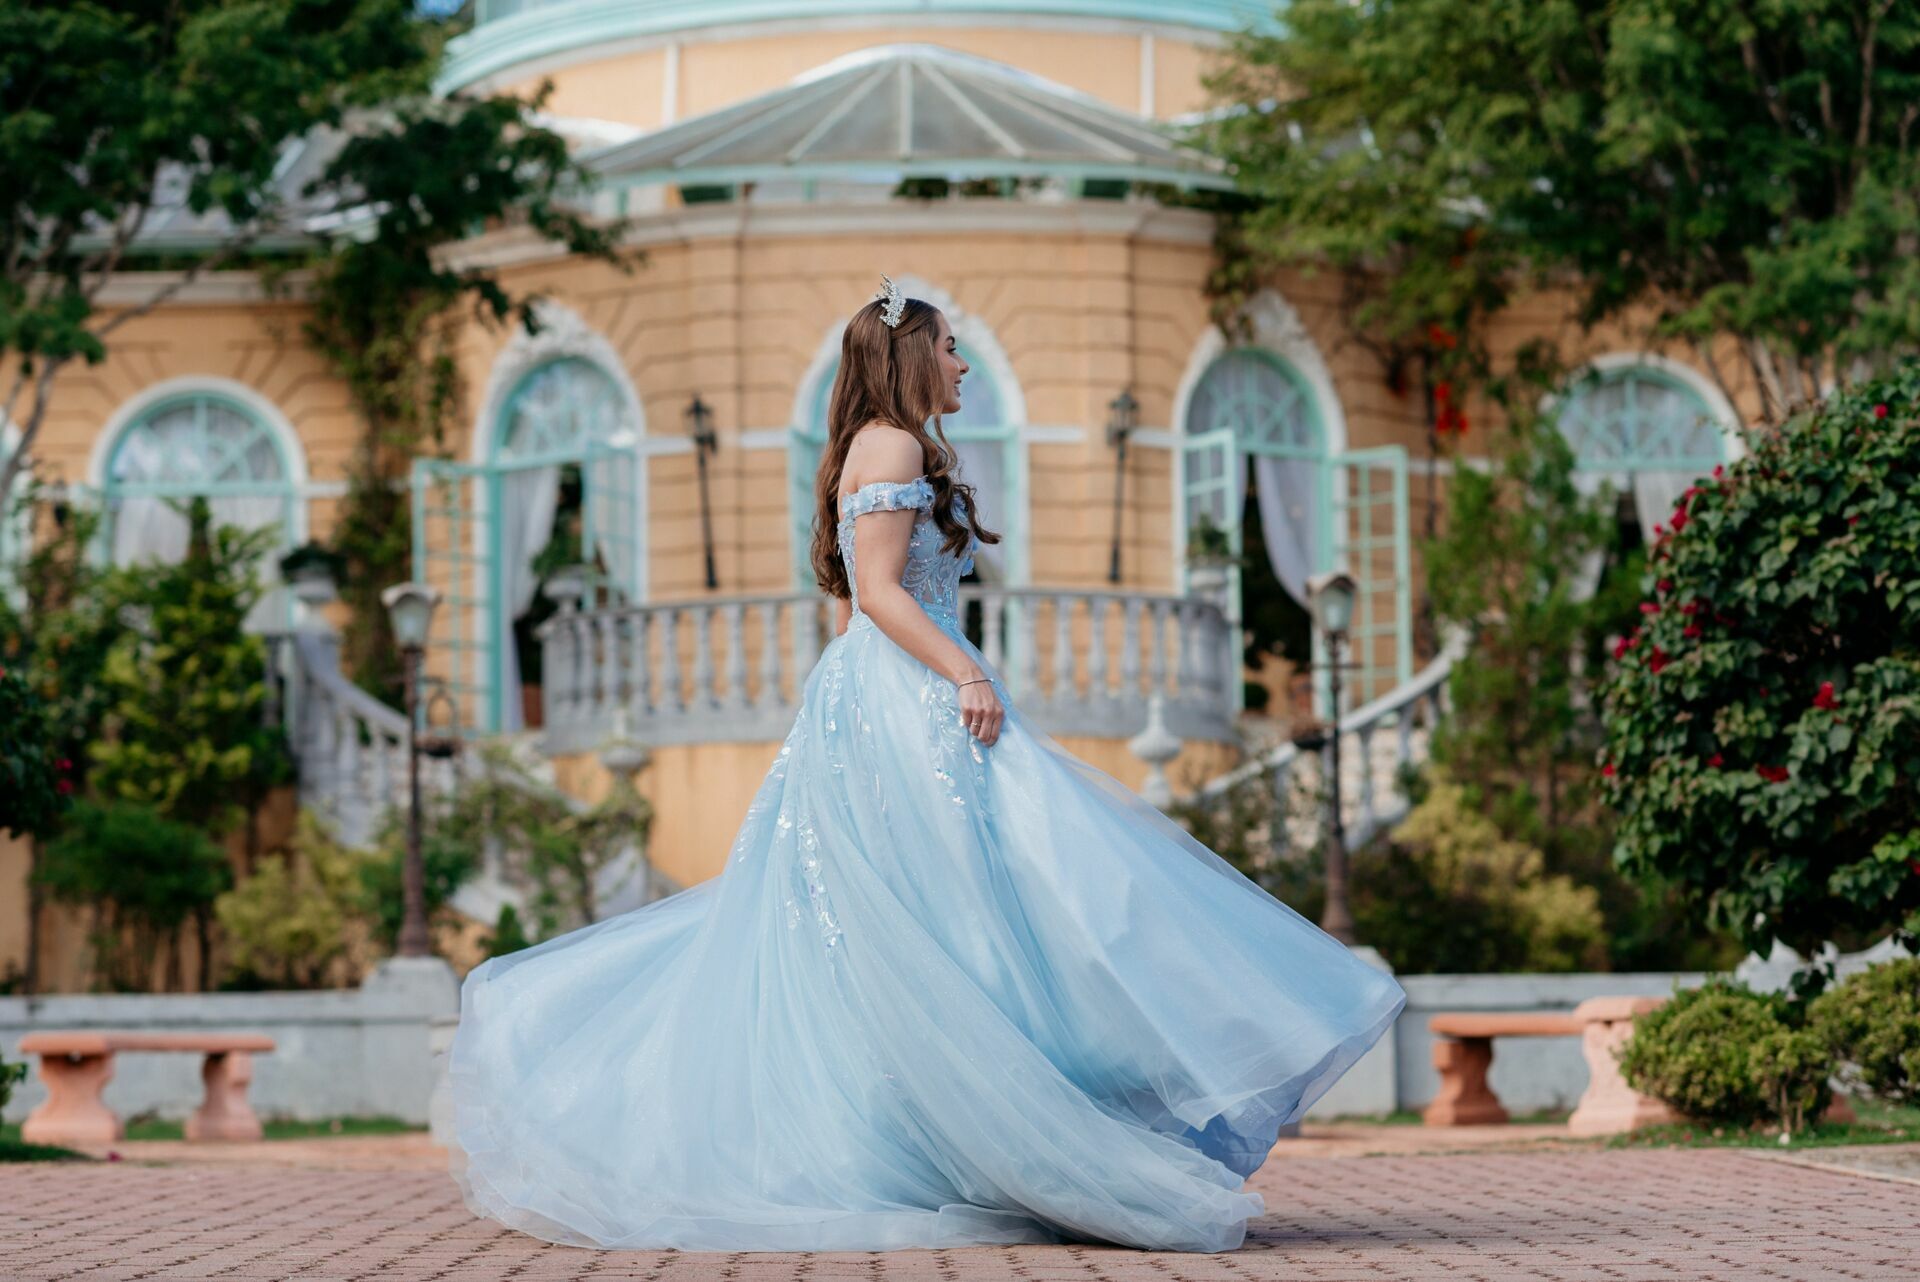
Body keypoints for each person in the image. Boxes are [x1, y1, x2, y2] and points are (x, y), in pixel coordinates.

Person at [445, 276, 1406, 1254]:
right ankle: (1021, 1124)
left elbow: (850, 606)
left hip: (876, 694)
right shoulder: (895, 443)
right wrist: (960, 674)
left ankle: (984, 1126)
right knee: (1017, 892)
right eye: (950, 347)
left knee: (933, 917)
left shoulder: (872, 448)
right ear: (911, 357)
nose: (964, 363)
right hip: (908, 692)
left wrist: (863, 699)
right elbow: (876, 594)